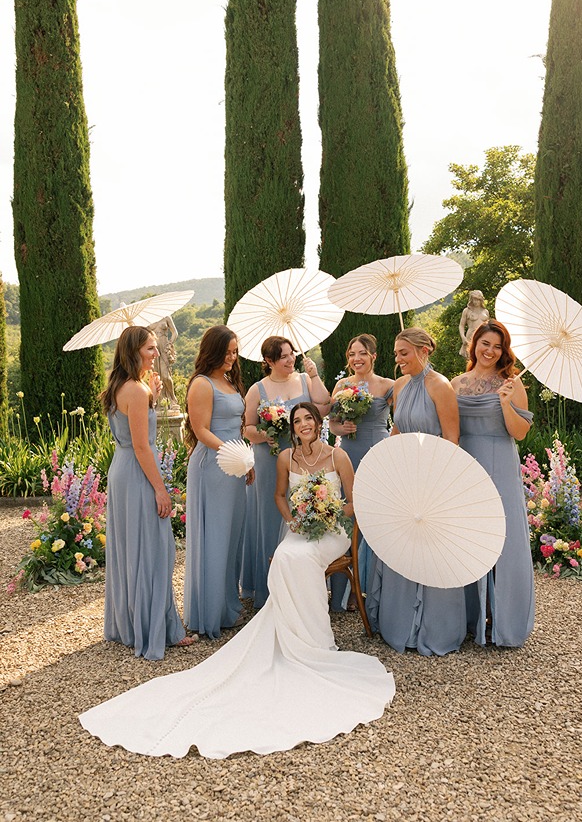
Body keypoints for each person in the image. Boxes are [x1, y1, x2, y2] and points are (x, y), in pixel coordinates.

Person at [79, 402, 394, 759]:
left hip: (332, 531)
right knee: (286, 557)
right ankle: (291, 634)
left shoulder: (338, 457)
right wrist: (294, 519)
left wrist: (330, 513)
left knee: (301, 559)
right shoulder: (286, 458)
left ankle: (315, 643)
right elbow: (279, 496)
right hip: (299, 529)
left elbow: (354, 500)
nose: (304, 424)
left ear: (318, 423)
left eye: (309, 418)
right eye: (297, 421)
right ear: (292, 428)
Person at [366, 327, 467, 655]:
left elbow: (451, 438)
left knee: (429, 548)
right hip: (404, 477)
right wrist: (384, 459)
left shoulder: (441, 385)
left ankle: (432, 627)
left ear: (424, 351)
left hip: (433, 478)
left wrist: (436, 478)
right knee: (402, 545)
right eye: (396, 354)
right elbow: (398, 427)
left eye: (403, 353)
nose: (398, 359)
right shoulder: (399, 385)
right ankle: (399, 623)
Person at [101, 326, 193, 660]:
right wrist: (160, 489)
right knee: (154, 549)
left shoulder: (119, 386)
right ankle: (158, 629)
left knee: (132, 549)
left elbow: (130, 433)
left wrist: (150, 395)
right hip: (138, 474)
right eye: (150, 348)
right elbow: (142, 447)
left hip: (121, 471)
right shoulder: (137, 392)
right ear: (134, 352)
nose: (156, 354)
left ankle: (132, 624)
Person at [451, 319, 534, 647]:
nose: (490, 351)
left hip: (500, 464)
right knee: (468, 539)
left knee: (504, 539)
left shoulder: (512, 384)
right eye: (485, 343)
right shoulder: (455, 384)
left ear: (504, 351)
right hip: (465, 467)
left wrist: (504, 403)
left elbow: (520, 433)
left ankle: (503, 619)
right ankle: (472, 617)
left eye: (497, 346)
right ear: (474, 345)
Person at [241, 336, 331, 608]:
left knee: (306, 511)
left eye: (291, 354)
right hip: (269, 460)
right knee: (271, 517)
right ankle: (270, 589)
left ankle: (303, 587)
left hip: (304, 459)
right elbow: (247, 428)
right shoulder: (257, 389)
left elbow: (325, 406)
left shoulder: (304, 379)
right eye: (283, 357)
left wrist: (314, 375)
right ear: (268, 361)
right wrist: (264, 434)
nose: (291, 360)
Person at [183, 325, 254, 638]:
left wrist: (245, 459)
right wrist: (234, 453)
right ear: (212, 351)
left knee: (232, 536)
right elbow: (201, 430)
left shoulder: (229, 381)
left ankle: (227, 604)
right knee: (214, 536)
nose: (232, 357)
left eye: (235, 352)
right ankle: (210, 611)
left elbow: (237, 427)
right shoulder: (202, 384)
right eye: (226, 352)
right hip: (212, 465)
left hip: (234, 464)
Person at [328, 334, 394, 608]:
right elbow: (332, 424)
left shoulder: (389, 386)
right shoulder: (342, 385)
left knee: (374, 518)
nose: (357, 358)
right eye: (352, 354)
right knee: (348, 517)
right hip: (349, 455)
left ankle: (367, 588)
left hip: (378, 455)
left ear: (373, 356)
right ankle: (344, 588)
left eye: (362, 353)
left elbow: (402, 419)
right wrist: (340, 429)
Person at [149, 315, 180, 410]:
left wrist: (170, 343)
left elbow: (175, 333)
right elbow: (142, 335)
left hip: (164, 348)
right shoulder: (148, 319)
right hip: (153, 350)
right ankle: (161, 401)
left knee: (165, 376)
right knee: (157, 376)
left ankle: (172, 398)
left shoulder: (166, 317)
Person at [458, 290, 490, 358]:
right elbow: (461, 325)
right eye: (474, 299)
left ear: (481, 300)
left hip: (483, 336)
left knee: (482, 356)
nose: (476, 302)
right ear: (471, 300)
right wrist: (463, 337)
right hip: (470, 336)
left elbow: (489, 327)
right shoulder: (467, 311)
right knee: (471, 357)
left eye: (478, 300)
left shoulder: (485, 312)